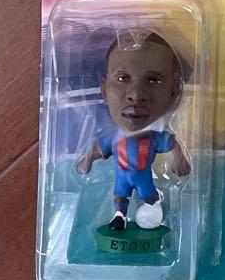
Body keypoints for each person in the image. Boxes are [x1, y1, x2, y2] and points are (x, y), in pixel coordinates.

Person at [76, 30, 191, 231]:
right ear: (104, 90)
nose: (136, 95)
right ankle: (119, 217)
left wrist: (180, 159)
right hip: (122, 177)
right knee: (120, 196)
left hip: (144, 178)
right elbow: (96, 149)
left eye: (154, 80)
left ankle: (153, 208)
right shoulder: (113, 137)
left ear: (174, 93)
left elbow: (172, 143)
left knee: (149, 196)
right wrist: (85, 161)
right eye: (123, 78)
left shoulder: (154, 138)